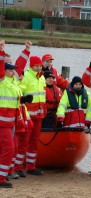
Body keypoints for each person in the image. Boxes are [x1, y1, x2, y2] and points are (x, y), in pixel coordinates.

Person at [0, 40, 24, 188]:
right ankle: (1, 177)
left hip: (11, 122)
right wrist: (1, 50)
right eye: (10, 69)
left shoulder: (13, 82)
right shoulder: (1, 81)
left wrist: (26, 51)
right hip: (3, 123)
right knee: (9, 148)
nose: (13, 71)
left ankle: (3, 175)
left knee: (9, 148)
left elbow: (20, 66)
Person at [20, 56, 46, 176]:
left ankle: (31, 167)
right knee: (24, 141)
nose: (39, 68)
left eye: (40, 66)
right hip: (28, 115)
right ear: (31, 65)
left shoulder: (41, 77)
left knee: (34, 142)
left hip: (39, 114)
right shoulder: (26, 76)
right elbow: (19, 90)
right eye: (37, 66)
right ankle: (18, 167)